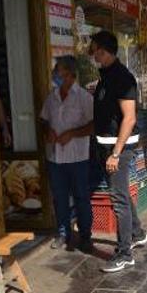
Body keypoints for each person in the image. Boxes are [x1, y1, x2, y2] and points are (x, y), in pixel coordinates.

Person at [89, 30, 147, 273]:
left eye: (96, 51)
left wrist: (115, 153)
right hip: (106, 145)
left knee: (118, 198)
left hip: (118, 149)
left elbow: (129, 118)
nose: (93, 56)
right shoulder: (105, 76)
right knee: (121, 192)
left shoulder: (122, 78)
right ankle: (136, 232)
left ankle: (125, 253)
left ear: (106, 51)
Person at [40, 56, 94, 252]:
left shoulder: (84, 98)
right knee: (59, 197)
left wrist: (72, 133)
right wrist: (48, 131)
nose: (57, 76)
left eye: (61, 73)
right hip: (55, 157)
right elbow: (44, 119)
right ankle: (63, 233)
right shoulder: (51, 97)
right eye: (56, 72)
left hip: (77, 157)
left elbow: (92, 125)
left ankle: (86, 236)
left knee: (81, 197)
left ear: (71, 75)